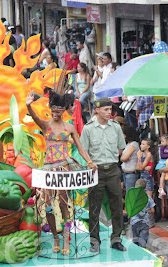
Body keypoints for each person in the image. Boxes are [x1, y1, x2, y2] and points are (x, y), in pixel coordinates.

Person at [25, 86, 97, 256]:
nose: (56, 114)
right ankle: (56, 237)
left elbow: (80, 148)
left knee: (65, 205)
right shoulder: (45, 124)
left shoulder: (70, 128)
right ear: (50, 109)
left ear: (64, 111)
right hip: (49, 169)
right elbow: (34, 116)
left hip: (65, 169)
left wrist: (89, 161)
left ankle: (66, 238)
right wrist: (28, 106)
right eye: (54, 111)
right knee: (49, 206)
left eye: (60, 111)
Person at [80, 97, 127, 252]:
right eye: (106, 110)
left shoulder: (115, 127)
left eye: (110, 109)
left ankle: (116, 239)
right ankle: (95, 240)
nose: (109, 113)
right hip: (96, 171)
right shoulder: (88, 129)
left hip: (113, 169)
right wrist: (91, 163)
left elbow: (121, 148)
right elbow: (83, 150)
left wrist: (110, 159)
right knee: (94, 206)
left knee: (117, 206)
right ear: (97, 110)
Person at [130, 179, 155, 248]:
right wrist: (146, 211)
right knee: (143, 241)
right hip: (145, 222)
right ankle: (143, 251)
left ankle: (137, 254)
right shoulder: (148, 197)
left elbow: (129, 209)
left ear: (136, 186)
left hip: (134, 222)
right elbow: (152, 210)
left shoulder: (133, 197)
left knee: (135, 240)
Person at [120, 125, 139, 192]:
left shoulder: (133, 144)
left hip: (131, 173)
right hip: (126, 172)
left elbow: (124, 158)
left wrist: (122, 157)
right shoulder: (128, 144)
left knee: (130, 193)